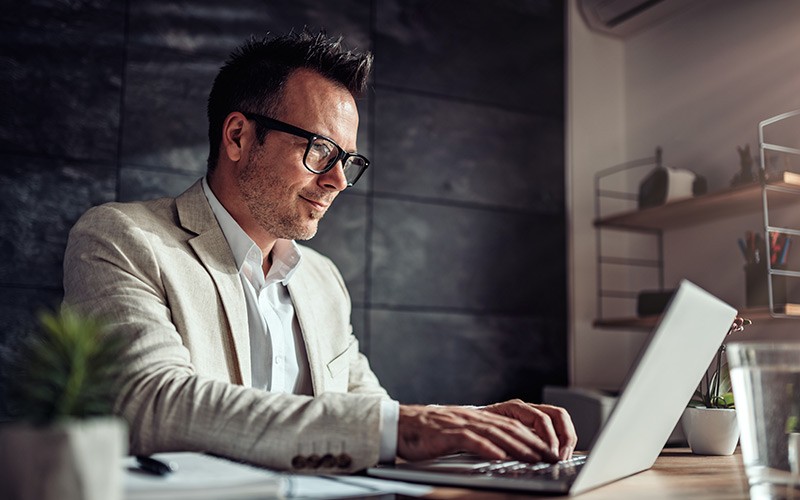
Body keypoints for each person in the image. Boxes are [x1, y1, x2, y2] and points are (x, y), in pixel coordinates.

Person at [63, 30, 576, 473]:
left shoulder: (322, 279)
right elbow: (152, 404)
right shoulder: (121, 238)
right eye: (319, 150)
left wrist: (477, 423)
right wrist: (417, 427)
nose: (337, 181)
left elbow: (369, 412)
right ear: (239, 136)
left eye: (347, 159)